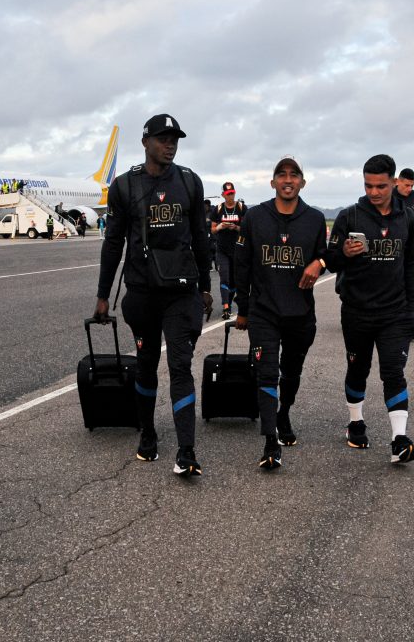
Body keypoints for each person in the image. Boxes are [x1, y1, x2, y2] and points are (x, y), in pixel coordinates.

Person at [93, 113, 213, 477]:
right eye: (162, 138)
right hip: (143, 293)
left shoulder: (189, 182)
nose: (170, 145)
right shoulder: (125, 186)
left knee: (180, 366)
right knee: (145, 365)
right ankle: (147, 432)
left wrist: (206, 287)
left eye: (174, 139)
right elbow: (113, 243)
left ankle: (187, 451)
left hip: (181, 293)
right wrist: (103, 294)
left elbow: (201, 237)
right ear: (145, 142)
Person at [324, 154, 414, 464]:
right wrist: (344, 251)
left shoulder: (407, 219)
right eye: (368, 186)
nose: (374, 192)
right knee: (358, 370)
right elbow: (331, 261)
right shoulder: (349, 216)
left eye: (380, 186)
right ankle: (355, 423)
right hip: (357, 311)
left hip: (395, 313)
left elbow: (413, 265)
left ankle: (399, 440)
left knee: (393, 371)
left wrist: (413, 308)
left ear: (394, 182)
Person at [234, 158, 327, 469]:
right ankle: (270, 440)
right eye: (281, 175)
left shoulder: (314, 219)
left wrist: (319, 263)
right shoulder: (255, 217)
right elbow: (242, 264)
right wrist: (243, 309)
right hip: (264, 311)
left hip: (300, 312)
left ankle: (284, 412)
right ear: (272, 182)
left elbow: (326, 255)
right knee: (267, 372)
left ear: (302, 182)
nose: (288, 180)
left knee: (291, 372)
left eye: (294, 175)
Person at [211, 182, 247, 320]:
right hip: (222, 250)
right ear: (223, 195)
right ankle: (226, 307)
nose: (230, 196)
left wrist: (236, 228)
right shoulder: (218, 209)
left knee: (234, 281)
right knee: (224, 277)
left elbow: (247, 229)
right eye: (227, 194)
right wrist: (220, 226)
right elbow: (213, 229)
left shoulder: (241, 208)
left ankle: (230, 304)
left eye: (232, 193)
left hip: (238, 249)